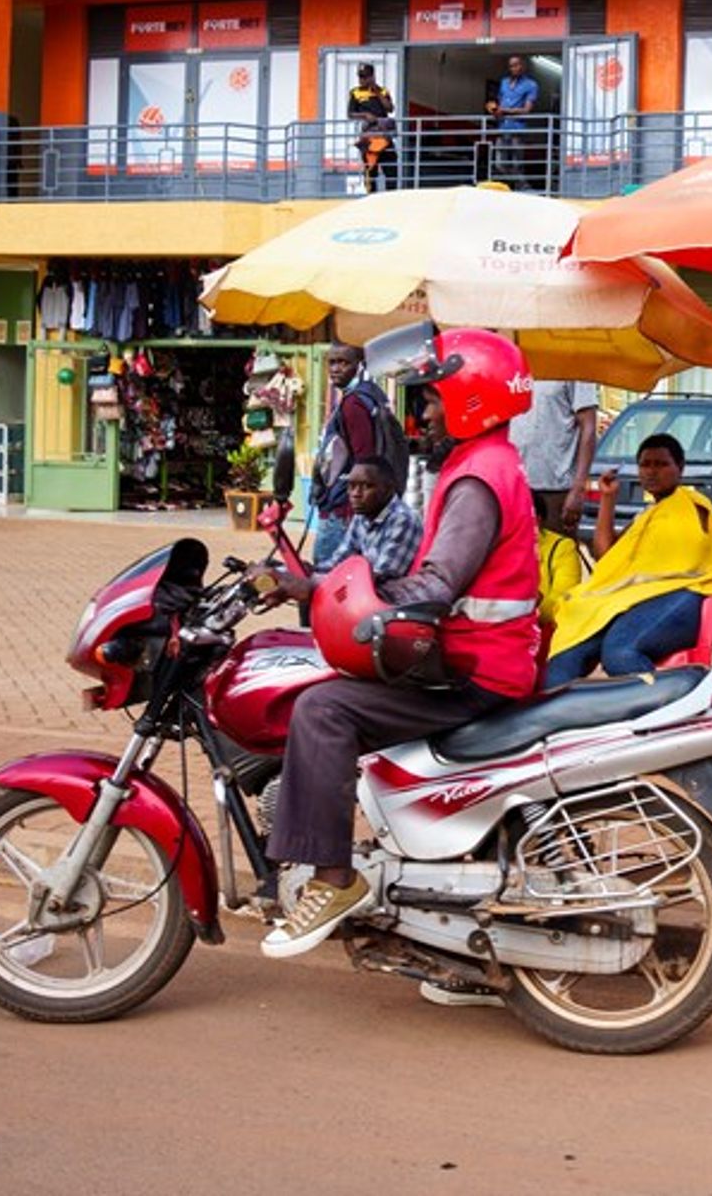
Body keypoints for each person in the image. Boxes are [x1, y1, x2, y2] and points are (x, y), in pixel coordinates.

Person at [261, 327, 542, 972]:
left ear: (472, 397)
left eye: (437, 397)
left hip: (476, 671)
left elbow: (438, 585)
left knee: (324, 710)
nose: (427, 411)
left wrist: (362, 606)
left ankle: (334, 880)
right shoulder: (483, 465)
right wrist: (318, 588)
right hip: (477, 660)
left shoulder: (478, 478)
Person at [544, 434, 712, 688]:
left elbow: (682, 555)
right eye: (645, 465)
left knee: (620, 653)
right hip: (637, 603)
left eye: (661, 464)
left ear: (680, 469)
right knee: (566, 655)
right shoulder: (648, 516)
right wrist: (608, 498)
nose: (651, 472)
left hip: (689, 599)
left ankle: (673, 703)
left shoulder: (695, 506)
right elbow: (606, 554)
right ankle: (558, 721)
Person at [309, 343, 400, 576]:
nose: (336, 369)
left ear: (359, 365)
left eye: (344, 362)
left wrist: (355, 510)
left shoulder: (354, 404)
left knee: (323, 580)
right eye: (332, 362)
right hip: (353, 505)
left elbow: (364, 461)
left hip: (342, 508)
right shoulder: (372, 394)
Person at [506, 378, 599, 536]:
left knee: (556, 555)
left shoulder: (574, 365)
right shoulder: (513, 363)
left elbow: (588, 427)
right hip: (514, 489)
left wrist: (578, 489)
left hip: (555, 493)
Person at [334, 454, 423, 584]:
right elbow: (340, 559)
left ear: (388, 489)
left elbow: (382, 576)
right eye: (351, 486)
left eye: (366, 486)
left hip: (394, 598)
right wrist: (312, 572)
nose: (355, 494)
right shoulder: (362, 516)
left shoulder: (403, 520)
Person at [530, 490, 587, 628]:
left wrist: (531, 604)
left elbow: (562, 603)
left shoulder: (562, 548)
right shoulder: (492, 545)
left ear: (537, 520)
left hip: (541, 633)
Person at [489, 54, 540, 188]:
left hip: (517, 129)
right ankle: (520, 185)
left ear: (523, 66)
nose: (514, 68)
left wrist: (504, 111)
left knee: (517, 163)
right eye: (511, 65)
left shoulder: (531, 85)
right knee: (499, 164)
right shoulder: (504, 82)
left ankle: (522, 187)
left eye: (517, 65)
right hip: (502, 128)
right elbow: (500, 103)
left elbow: (526, 110)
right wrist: (495, 110)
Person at [347, 62, 396, 192]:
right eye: (360, 77)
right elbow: (350, 114)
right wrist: (365, 115)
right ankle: (371, 198)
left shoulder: (383, 91)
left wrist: (377, 93)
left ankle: (391, 198)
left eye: (365, 77)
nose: (362, 80)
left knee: (391, 171)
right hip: (368, 138)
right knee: (370, 172)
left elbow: (390, 108)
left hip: (384, 137)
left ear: (372, 77)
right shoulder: (355, 93)